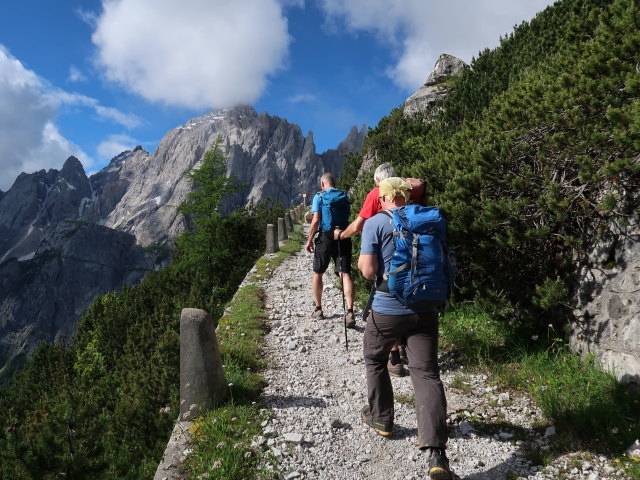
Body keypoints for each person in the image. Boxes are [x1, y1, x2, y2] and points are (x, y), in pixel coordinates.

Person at [357, 177, 451, 480]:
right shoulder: (426, 220)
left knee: (374, 358)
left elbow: (368, 270)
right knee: (426, 373)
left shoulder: (375, 223)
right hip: (426, 308)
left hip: (388, 310)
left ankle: (382, 419)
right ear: (406, 197)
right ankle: (436, 454)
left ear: (383, 197)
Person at [333, 162, 408, 377]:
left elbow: (358, 225)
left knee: (386, 304)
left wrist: (341, 235)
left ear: (378, 181)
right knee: (408, 296)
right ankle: (404, 346)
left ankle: (394, 359)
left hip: (387, 258)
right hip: (414, 256)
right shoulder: (407, 191)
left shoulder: (376, 194)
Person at [305, 173, 356, 327]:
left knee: (318, 273)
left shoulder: (319, 197)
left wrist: (309, 240)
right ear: (334, 182)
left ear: (322, 183)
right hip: (343, 235)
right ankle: (350, 312)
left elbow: (315, 220)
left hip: (326, 238)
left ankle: (318, 309)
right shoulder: (344, 196)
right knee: (345, 273)